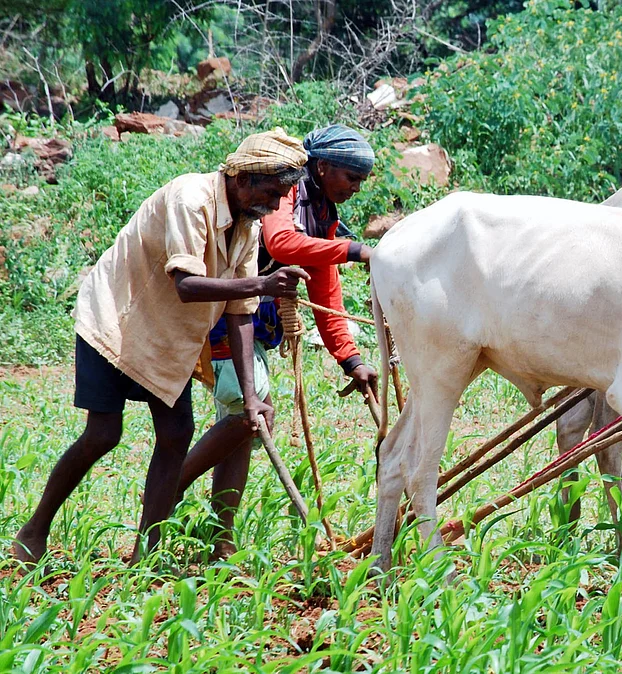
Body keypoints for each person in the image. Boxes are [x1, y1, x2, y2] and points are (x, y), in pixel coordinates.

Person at [10, 128, 311, 567]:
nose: (278, 202)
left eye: (283, 194)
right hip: (117, 317)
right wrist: (264, 283)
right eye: (272, 191)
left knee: (175, 434)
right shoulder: (191, 199)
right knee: (103, 434)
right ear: (244, 178)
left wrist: (250, 397)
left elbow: (240, 312)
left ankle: (145, 554)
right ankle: (33, 531)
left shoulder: (247, 225)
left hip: (168, 334)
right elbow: (187, 285)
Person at [174, 124, 378, 558]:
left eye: (361, 181)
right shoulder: (285, 189)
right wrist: (353, 250)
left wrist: (351, 359)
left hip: (253, 322)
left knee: (246, 424)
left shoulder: (322, 213)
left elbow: (326, 289)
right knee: (248, 409)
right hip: (224, 314)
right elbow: (282, 243)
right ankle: (168, 487)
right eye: (350, 177)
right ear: (321, 168)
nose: (356, 188)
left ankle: (221, 538)